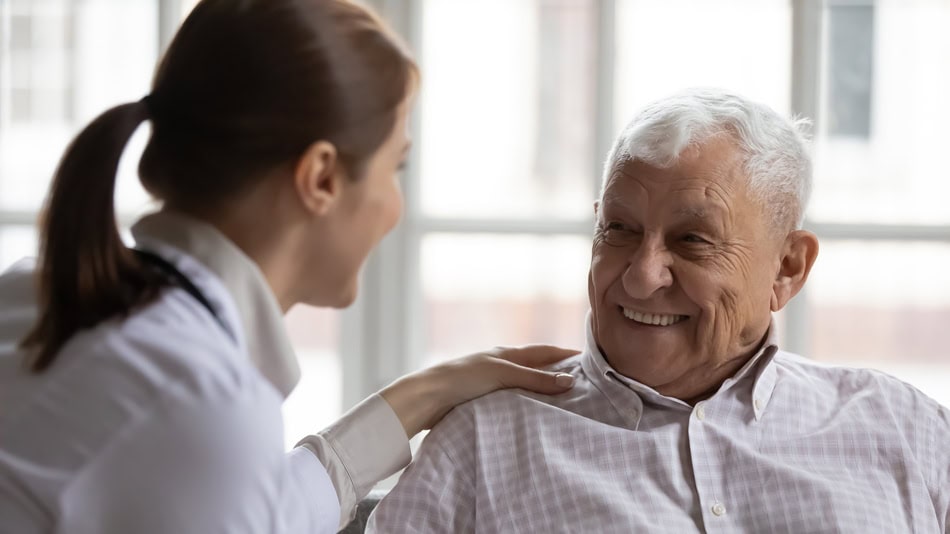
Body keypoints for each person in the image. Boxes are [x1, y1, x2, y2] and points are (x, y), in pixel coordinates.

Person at [0, 1, 579, 533]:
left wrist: (427, 392)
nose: (396, 209)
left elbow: (265, 510)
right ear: (321, 178)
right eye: (394, 168)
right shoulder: (196, 402)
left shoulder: (35, 293)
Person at [367, 88, 950, 533]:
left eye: (692, 240)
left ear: (787, 268)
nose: (642, 277)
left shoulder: (906, 429)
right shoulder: (483, 442)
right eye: (618, 229)